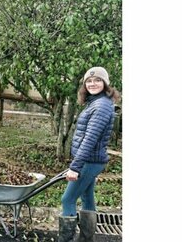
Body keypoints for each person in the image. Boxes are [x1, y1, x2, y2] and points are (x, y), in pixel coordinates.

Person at [58, 67, 120, 242]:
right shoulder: (96, 102)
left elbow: (90, 140)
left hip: (89, 162)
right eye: (89, 81)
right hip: (92, 160)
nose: (93, 83)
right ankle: (86, 240)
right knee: (87, 197)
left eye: (98, 80)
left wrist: (75, 167)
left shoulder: (100, 106)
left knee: (67, 199)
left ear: (105, 83)